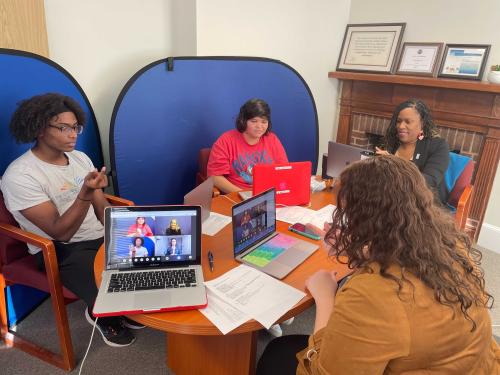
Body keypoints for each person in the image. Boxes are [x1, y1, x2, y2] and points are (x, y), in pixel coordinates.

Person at [256, 155, 500, 374]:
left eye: (346, 215)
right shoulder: (447, 246)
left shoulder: (373, 294)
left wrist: (325, 297)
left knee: (278, 354)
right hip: (475, 365)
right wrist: (356, 247)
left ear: (365, 221)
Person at [0, 93, 143, 347]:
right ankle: (101, 315)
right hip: (58, 249)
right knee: (109, 285)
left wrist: (125, 233)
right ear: (40, 129)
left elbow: (102, 207)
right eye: (64, 128)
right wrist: (84, 194)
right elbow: (60, 232)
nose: (73, 134)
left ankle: (116, 305)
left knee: (147, 256)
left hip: (96, 235)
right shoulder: (20, 175)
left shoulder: (80, 158)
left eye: (76, 127)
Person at [375, 98, 450, 204]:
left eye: (408, 122)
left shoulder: (438, 146)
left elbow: (430, 181)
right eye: (399, 121)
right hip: (388, 198)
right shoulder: (391, 142)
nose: (401, 126)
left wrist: (393, 164)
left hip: (421, 204)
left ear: (422, 124)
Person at [207, 98, 288, 193]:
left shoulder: (272, 139)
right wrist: (243, 195)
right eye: (254, 121)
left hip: (269, 195)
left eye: (264, 122)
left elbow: (284, 170)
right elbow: (215, 177)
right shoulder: (226, 140)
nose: (259, 126)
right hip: (237, 195)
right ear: (243, 121)